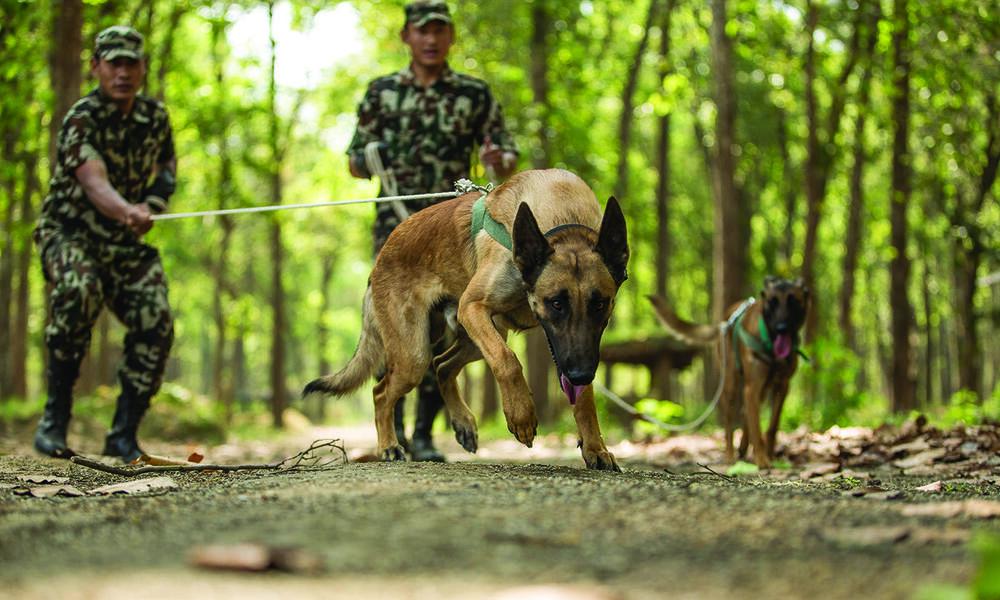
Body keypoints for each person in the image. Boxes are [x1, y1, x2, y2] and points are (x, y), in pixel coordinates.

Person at [347, 0, 518, 462]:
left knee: (445, 328)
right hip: (395, 225)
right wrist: (369, 157)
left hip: (452, 223)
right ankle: (393, 430)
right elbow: (354, 161)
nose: (430, 38)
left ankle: (424, 434)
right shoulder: (381, 93)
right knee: (400, 325)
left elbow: (503, 152)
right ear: (406, 36)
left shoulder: (474, 94)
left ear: (450, 37)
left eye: (439, 30)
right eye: (422, 30)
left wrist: (499, 160)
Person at [33, 25, 177, 462]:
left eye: (131, 63)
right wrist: (126, 210)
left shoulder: (155, 117)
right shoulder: (82, 117)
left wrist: (152, 201)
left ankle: (123, 435)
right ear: (96, 66)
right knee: (79, 290)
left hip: (124, 244)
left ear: (143, 69)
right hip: (69, 233)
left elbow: (167, 167)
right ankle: (55, 419)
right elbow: (93, 180)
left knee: (157, 319)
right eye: (114, 63)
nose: (123, 72)